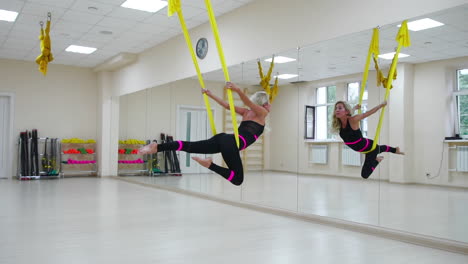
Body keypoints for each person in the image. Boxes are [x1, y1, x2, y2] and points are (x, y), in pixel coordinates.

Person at [139, 82, 270, 186]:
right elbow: (245, 103)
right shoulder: (262, 113)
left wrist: (210, 94)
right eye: (268, 103)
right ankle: (210, 165)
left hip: (223, 139)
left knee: (189, 146)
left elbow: (227, 105)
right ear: (263, 104)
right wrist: (238, 90)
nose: (270, 105)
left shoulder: (247, 112)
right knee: (237, 179)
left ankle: (158, 147)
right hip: (231, 143)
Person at [332, 100, 404, 179]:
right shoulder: (339, 124)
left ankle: (377, 160)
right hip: (363, 149)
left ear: (346, 111)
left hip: (369, 147)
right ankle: (395, 150)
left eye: (340, 108)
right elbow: (349, 112)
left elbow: (368, 113)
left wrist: (381, 105)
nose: (337, 110)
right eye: (336, 108)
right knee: (379, 148)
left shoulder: (353, 120)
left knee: (365, 175)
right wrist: (355, 108)